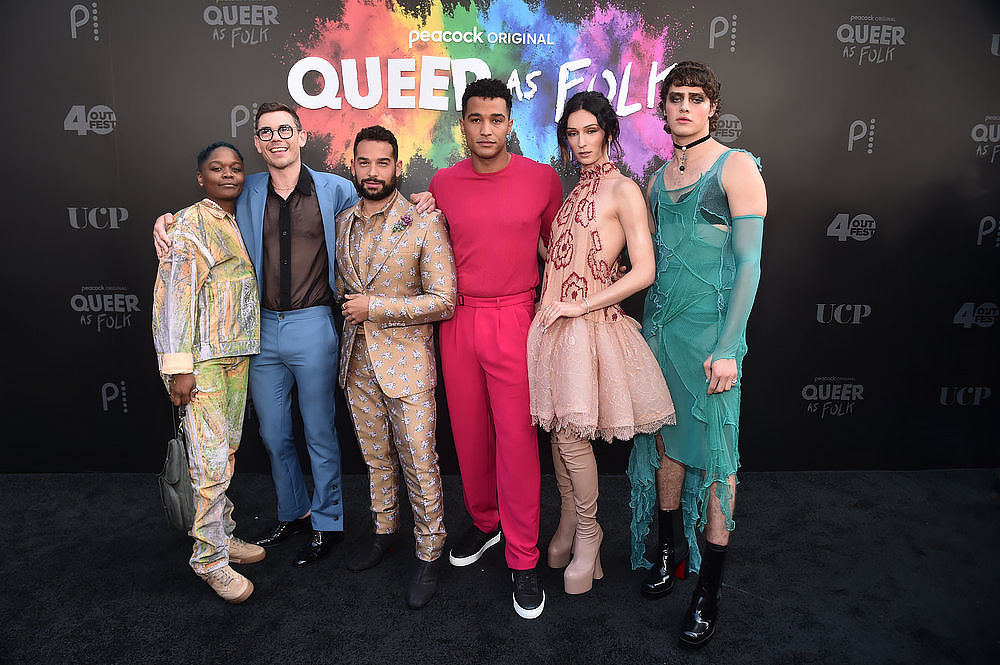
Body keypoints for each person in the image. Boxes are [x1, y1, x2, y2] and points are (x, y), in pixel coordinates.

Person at [153, 103, 435, 568]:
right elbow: (202, 217)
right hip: (257, 329)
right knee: (274, 433)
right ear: (258, 143)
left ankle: (328, 523)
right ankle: (294, 512)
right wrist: (164, 221)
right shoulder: (245, 190)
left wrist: (424, 200)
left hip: (314, 324)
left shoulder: (337, 189)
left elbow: (379, 213)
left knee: (321, 432)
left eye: (285, 129)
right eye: (266, 132)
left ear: (302, 136)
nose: (276, 138)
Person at [629, 61, 767, 648]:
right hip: (660, 335)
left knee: (715, 460)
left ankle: (708, 590)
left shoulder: (738, 168)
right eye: (674, 99)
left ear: (712, 106)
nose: (684, 107)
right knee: (664, 446)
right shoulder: (658, 179)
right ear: (663, 109)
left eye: (695, 98)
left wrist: (729, 346)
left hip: (712, 343)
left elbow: (750, 264)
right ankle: (668, 550)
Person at [526, 91, 676, 595]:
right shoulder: (572, 192)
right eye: (572, 133)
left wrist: (582, 304)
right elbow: (568, 257)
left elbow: (645, 270)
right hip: (555, 325)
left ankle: (590, 534)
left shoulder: (623, 190)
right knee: (558, 432)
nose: (581, 141)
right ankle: (570, 522)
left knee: (571, 436)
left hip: (590, 325)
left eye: (590, 131)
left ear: (608, 133)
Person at [429, 78, 563, 619]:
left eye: (497, 119)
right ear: (462, 124)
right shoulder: (441, 183)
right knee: (468, 434)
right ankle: (485, 522)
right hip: (456, 318)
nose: (486, 129)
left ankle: (523, 557)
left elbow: (561, 252)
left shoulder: (541, 180)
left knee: (515, 441)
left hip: (516, 315)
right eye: (475, 119)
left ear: (510, 123)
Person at [335, 125, 456, 609]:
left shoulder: (424, 221)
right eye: (364, 163)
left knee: (419, 461)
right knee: (375, 459)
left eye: (382, 163)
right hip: (356, 364)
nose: (372, 172)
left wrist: (376, 308)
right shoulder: (343, 221)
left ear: (398, 168)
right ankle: (384, 530)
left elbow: (444, 301)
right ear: (353, 166)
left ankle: (430, 550)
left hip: (406, 366)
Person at [152, 142, 264, 603]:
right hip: (201, 365)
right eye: (216, 169)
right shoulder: (191, 224)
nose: (228, 175)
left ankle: (223, 532)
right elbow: (173, 300)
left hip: (236, 358)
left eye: (236, 168)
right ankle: (209, 560)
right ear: (201, 178)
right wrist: (178, 368)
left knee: (224, 454)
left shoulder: (240, 219)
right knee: (210, 462)